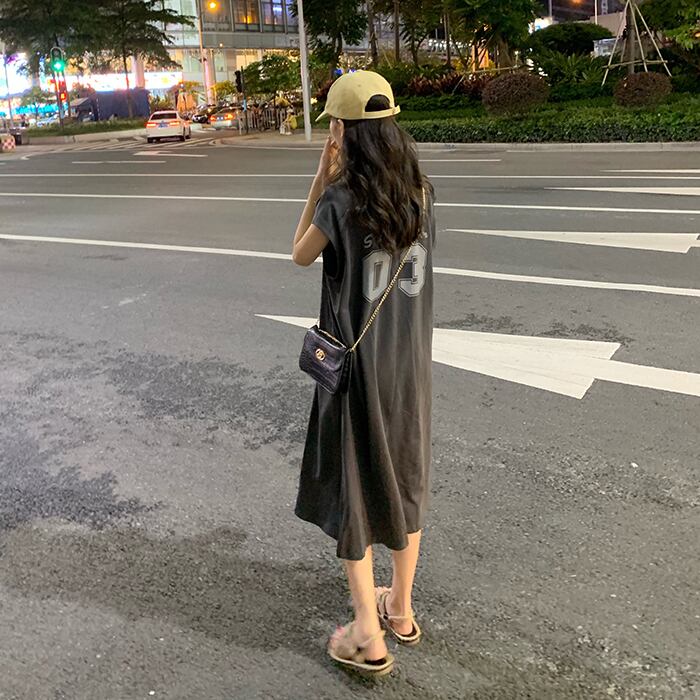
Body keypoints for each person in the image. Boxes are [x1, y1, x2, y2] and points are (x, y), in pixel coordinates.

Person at [291, 70, 435, 677]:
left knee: (354, 488)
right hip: (410, 365)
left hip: (356, 368)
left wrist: (320, 179)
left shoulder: (341, 199)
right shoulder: (421, 191)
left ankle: (366, 635)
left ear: (342, 131)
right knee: (405, 478)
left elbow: (299, 252)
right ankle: (399, 608)